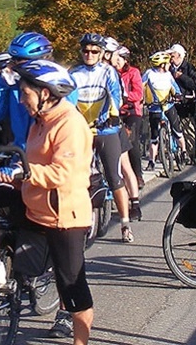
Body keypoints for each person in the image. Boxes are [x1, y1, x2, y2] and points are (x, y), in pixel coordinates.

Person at [0, 60, 96, 345]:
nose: (21, 100)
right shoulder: (39, 122)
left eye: (25, 93)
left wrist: (26, 172)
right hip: (34, 205)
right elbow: (33, 165)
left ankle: (80, 342)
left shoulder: (69, 123)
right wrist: (16, 180)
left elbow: (65, 173)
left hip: (64, 216)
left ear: (45, 93)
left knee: (72, 288)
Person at [70, 33, 137, 242]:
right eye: (85, 51)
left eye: (94, 51)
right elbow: (67, 98)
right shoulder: (73, 73)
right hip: (82, 130)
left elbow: (115, 95)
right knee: (77, 177)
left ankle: (125, 224)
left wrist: (113, 115)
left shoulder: (108, 72)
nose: (89, 55)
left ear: (101, 53)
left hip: (106, 130)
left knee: (114, 177)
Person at [112, 46, 147, 218]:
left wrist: (125, 97)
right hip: (117, 112)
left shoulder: (133, 72)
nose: (117, 61)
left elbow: (138, 93)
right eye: (115, 58)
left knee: (131, 142)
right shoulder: (111, 73)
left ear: (126, 59)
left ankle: (138, 175)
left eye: (119, 59)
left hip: (132, 111)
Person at [142, 51, 184, 172]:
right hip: (154, 107)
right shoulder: (149, 74)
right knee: (154, 136)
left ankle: (184, 152)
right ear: (162, 65)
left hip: (168, 106)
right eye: (167, 63)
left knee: (177, 131)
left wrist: (178, 95)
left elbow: (175, 88)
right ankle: (152, 161)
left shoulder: (168, 75)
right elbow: (141, 86)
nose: (169, 65)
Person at [168, 44, 196, 164]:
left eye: (172, 55)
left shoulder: (188, 67)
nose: (170, 58)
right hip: (172, 102)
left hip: (187, 103)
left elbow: (194, 83)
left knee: (188, 130)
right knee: (174, 128)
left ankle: (192, 155)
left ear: (179, 55)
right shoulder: (167, 68)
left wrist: (181, 76)